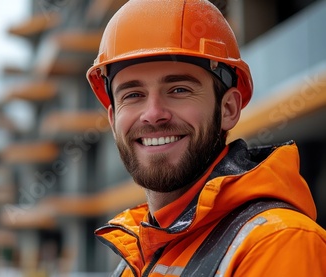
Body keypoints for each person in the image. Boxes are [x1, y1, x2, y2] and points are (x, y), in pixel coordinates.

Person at [86, 0, 326, 276]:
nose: (153, 114)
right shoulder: (137, 257)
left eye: (178, 90)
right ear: (113, 120)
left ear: (228, 109)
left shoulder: (279, 244)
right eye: (133, 95)